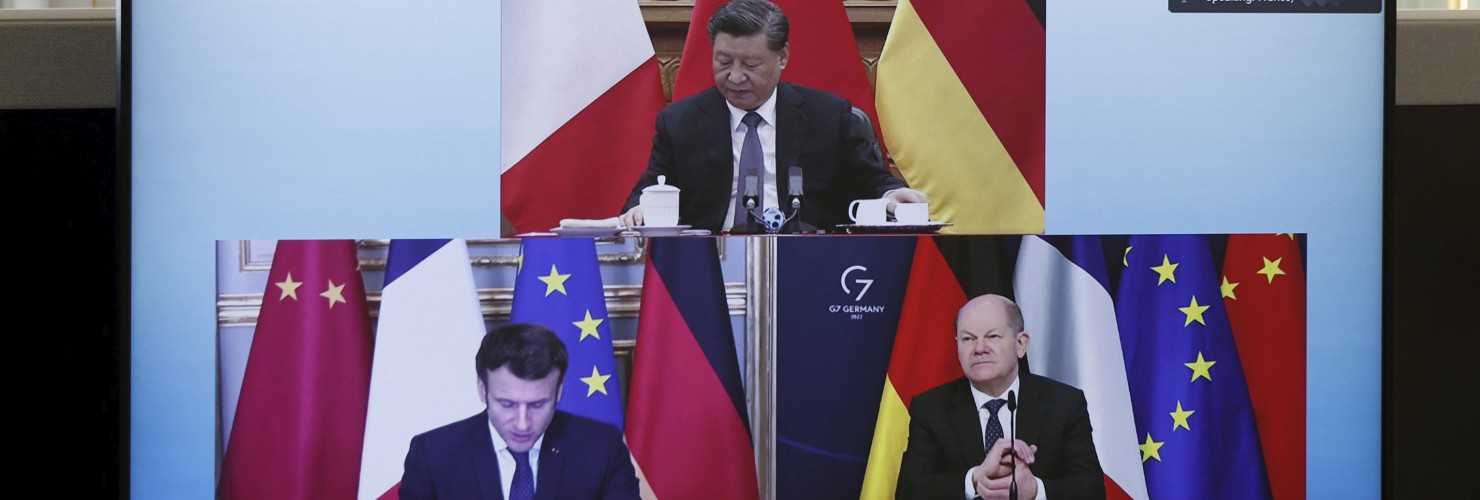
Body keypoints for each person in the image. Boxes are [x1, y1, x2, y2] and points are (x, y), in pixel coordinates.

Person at [619, 0, 927, 233]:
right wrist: (638, 210)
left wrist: (891, 195)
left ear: (782, 58)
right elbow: (649, 190)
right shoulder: (679, 122)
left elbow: (871, 181)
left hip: (811, 260)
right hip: (711, 264)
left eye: (750, 65)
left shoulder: (829, 116)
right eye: (724, 62)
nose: (735, 77)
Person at [399, 324, 640, 500]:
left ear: (559, 392)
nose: (523, 424)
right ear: (483, 390)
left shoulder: (601, 448)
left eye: (537, 405)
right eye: (507, 404)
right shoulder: (433, 455)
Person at [897, 295, 1104, 500]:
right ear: (957, 347)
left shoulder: (1064, 403)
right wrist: (975, 478)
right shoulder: (931, 408)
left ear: (1021, 344)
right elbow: (908, 491)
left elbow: (1092, 489)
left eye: (992, 336)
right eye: (968, 339)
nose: (979, 349)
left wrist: (1035, 491)